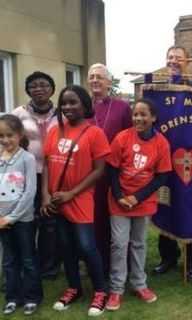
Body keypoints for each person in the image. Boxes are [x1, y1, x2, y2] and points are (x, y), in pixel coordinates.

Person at [41, 85, 110, 316]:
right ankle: (74, 288)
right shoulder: (54, 131)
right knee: (66, 247)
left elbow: (99, 170)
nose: (68, 107)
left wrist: (72, 193)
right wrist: (46, 196)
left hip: (80, 200)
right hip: (56, 201)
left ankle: (100, 290)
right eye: (64, 103)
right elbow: (47, 165)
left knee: (87, 247)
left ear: (85, 105)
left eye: (73, 102)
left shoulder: (94, 133)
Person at [105, 98, 172, 311]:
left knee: (139, 243)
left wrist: (137, 197)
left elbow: (162, 177)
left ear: (153, 118)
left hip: (142, 202)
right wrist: (119, 196)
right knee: (119, 244)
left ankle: (139, 284)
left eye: (143, 114)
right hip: (119, 201)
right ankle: (116, 289)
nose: (138, 118)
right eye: (135, 114)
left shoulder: (161, 142)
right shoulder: (122, 138)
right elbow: (112, 170)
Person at [152, 46, 192, 280]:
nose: (173, 61)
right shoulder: (157, 92)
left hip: (191, 160)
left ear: (188, 61)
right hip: (164, 161)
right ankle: (168, 258)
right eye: (170, 57)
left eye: (178, 58)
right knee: (165, 206)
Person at [12, 71, 59, 279]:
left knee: (49, 222)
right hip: (25, 176)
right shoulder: (18, 114)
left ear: (51, 89)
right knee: (26, 220)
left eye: (43, 85)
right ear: (28, 90)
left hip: (54, 175)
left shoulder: (62, 113)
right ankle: (27, 264)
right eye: (33, 86)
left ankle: (49, 267)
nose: (38, 89)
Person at [87, 63, 132, 277]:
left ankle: (123, 265)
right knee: (96, 222)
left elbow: (131, 138)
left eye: (100, 77)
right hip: (90, 175)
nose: (95, 80)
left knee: (120, 222)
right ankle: (99, 264)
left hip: (116, 174)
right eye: (92, 76)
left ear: (109, 82)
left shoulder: (122, 107)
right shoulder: (83, 107)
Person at [0, 114, 43, 316]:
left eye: (10, 135)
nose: (6, 140)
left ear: (19, 135)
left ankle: (32, 297)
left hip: (23, 220)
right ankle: (12, 297)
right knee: (9, 260)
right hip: (2, 221)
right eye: (1, 136)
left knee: (27, 259)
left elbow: (29, 193)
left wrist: (12, 217)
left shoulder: (27, 158)